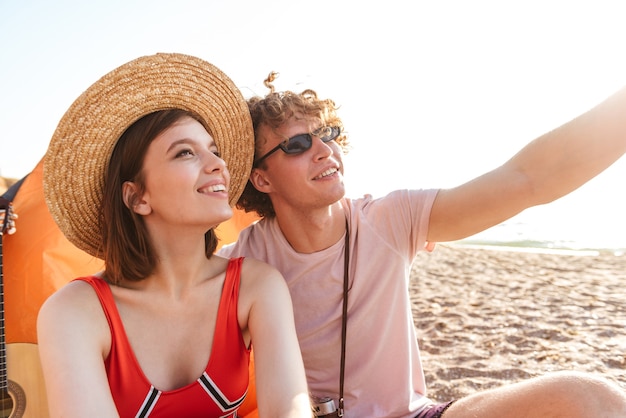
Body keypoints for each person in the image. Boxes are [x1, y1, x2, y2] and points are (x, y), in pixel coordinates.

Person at [218, 71, 626, 418]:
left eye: (328, 134)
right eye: (297, 144)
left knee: (591, 397)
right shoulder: (242, 262)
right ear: (262, 179)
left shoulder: (391, 220)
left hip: (414, 413)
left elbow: (528, 180)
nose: (325, 151)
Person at [37, 55, 310, 418]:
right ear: (137, 197)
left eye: (214, 150)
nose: (218, 164)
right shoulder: (74, 311)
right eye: (185, 152)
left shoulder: (257, 286)